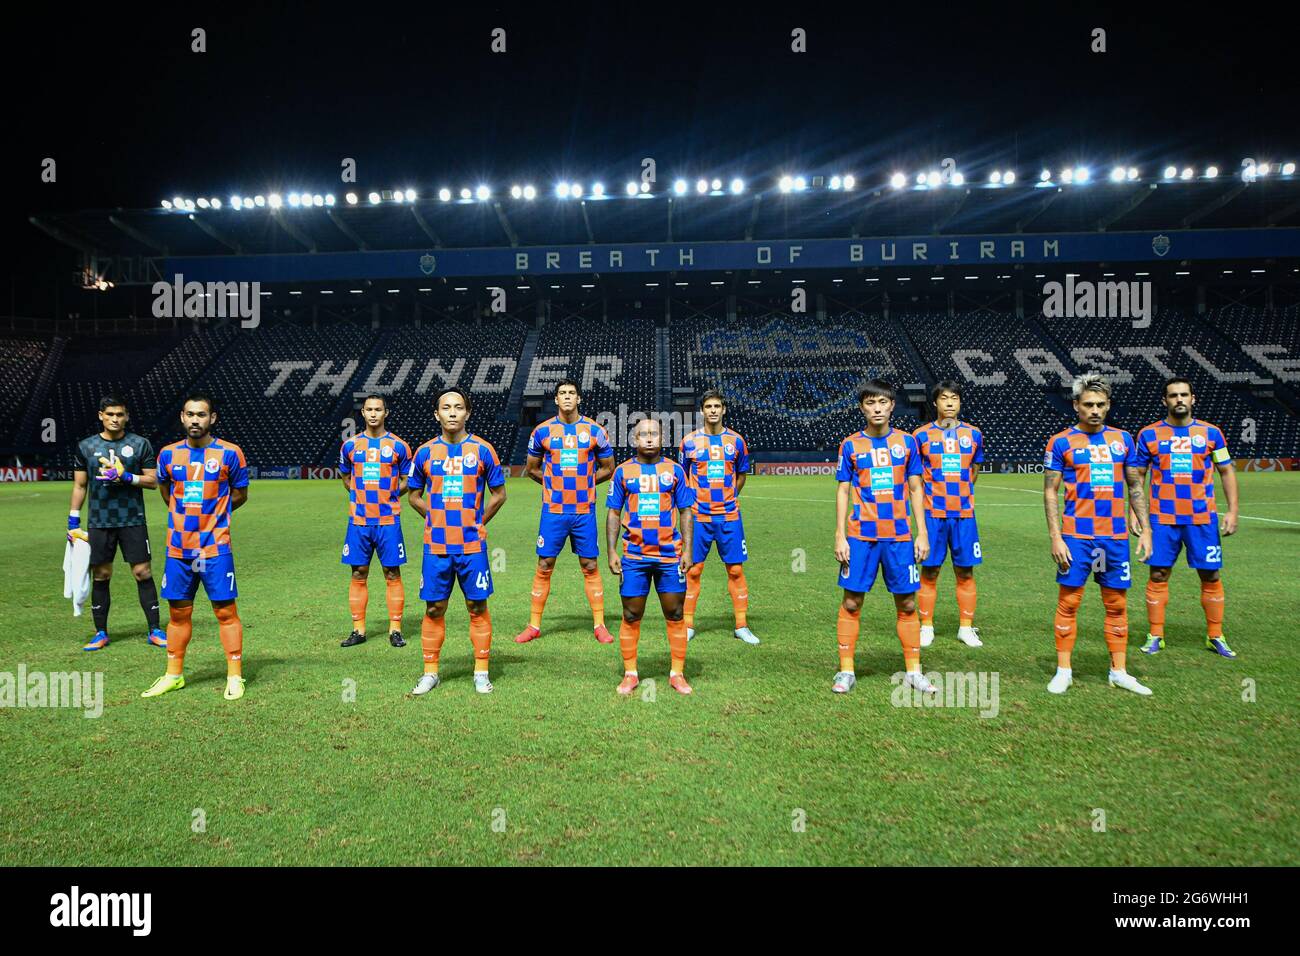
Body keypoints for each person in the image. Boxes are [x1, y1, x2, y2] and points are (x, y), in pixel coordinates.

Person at [1043, 373, 1152, 696]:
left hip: (1114, 538)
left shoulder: (1123, 440)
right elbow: (1050, 492)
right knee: (1069, 602)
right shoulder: (1060, 441)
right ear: (1076, 406)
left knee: (1116, 604)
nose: (1095, 410)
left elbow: (1135, 486)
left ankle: (1118, 671)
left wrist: (1145, 530)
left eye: (1101, 405)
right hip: (1076, 537)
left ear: (1107, 407)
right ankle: (1064, 671)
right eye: (1088, 404)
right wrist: (1056, 536)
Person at [141, 393, 250, 700]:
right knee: (177, 614)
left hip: (215, 548)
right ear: (182, 417)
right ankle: (174, 675)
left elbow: (240, 494)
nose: (195, 420)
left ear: (212, 418)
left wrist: (215, 516)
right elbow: (166, 492)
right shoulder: (167, 455)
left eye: (201, 415)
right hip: (178, 550)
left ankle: (235, 676)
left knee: (226, 612)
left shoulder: (230, 453)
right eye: (190, 414)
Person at [831, 380, 933, 695]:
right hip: (860, 536)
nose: (877, 408)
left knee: (906, 602)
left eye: (883, 402)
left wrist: (922, 533)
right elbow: (843, 489)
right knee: (851, 601)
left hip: (900, 537)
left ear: (892, 406)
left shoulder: (908, 443)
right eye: (870, 403)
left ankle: (914, 671)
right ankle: (846, 671)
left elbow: (916, 488)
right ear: (862, 407)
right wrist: (840, 534)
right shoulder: (850, 445)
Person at [405, 388, 507, 695]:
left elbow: (499, 494)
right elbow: (413, 496)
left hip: (471, 546)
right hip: (436, 546)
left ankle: (480, 671)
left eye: (458, 407)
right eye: (446, 407)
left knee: (477, 606)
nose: (452, 412)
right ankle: (431, 672)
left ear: (467, 413)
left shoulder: (483, 450)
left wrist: (478, 521)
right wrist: (435, 516)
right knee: (435, 608)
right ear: (437, 414)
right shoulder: (424, 452)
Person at [1134, 377, 1239, 658]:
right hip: (1161, 518)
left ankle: (1215, 635)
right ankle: (1156, 634)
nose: (1178, 399)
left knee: (1210, 573)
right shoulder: (1148, 435)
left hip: (1202, 517)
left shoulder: (1212, 434)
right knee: (1158, 573)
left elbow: (1226, 471)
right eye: (1173, 395)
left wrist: (1232, 510)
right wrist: (1134, 514)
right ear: (1164, 401)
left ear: (1193, 399)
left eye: (1183, 395)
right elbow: (1137, 477)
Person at [515, 379, 615, 645]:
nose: (567, 397)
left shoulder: (595, 430)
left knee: (590, 565)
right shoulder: (542, 431)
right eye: (562, 393)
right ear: (556, 400)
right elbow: (532, 468)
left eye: (572, 393)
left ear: (578, 399)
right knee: (544, 565)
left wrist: (587, 482)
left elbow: (608, 467)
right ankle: (534, 625)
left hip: (584, 511)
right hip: (554, 511)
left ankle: (600, 624)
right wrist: (553, 485)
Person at [605, 417, 695, 695]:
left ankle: (677, 673)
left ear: (662, 438)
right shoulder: (622, 472)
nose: (648, 438)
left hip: (669, 555)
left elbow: (686, 511)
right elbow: (613, 512)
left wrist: (688, 549)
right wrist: (611, 550)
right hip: (634, 556)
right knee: (631, 614)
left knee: (675, 612)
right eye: (642, 434)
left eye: (653, 433)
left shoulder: (675, 470)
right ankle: (630, 673)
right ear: (634, 440)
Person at [69, 394, 167, 650]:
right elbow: (80, 486)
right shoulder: (86, 447)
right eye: (110, 414)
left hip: (132, 518)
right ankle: (101, 632)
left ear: (126, 416)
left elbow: (153, 481)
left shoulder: (140, 444)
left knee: (142, 572)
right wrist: (73, 520)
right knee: (101, 574)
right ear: (101, 416)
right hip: (99, 521)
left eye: (119, 414)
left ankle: (155, 629)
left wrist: (126, 477)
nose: (115, 419)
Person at [680, 388, 758, 645]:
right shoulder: (689, 442)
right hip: (699, 517)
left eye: (717, 407)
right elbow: (682, 479)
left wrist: (729, 498)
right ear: (702, 411)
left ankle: (741, 625)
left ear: (723, 410)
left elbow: (741, 475)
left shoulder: (736, 441)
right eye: (708, 407)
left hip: (728, 516)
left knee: (735, 570)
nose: (713, 411)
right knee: (693, 571)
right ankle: (688, 625)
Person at [912, 381, 985, 648]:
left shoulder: (974, 434)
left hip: (964, 515)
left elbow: (974, 471)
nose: (950, 403)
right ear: (936, 403)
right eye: (944, 398)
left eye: (954, 398)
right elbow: (915, 479)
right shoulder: (920, 436)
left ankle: (965, 628)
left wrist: (962, 495)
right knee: (929, 571)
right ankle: (926, 626)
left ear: (960, 402)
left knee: (965, 572)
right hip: (933, 514)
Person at [338, 395, 413, 648]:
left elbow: (407, 480)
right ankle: (358, 630)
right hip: (359, 521)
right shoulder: (350, 446)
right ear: (363, 413)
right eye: (368, 409)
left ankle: (395, 629)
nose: (372, 414)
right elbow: (346, 476)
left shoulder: (399, 446)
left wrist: (391, 495)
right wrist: (358, 496)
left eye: (377, 409)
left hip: (388, 520)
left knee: (392, 572)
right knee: (358, 572)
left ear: (385, 413)